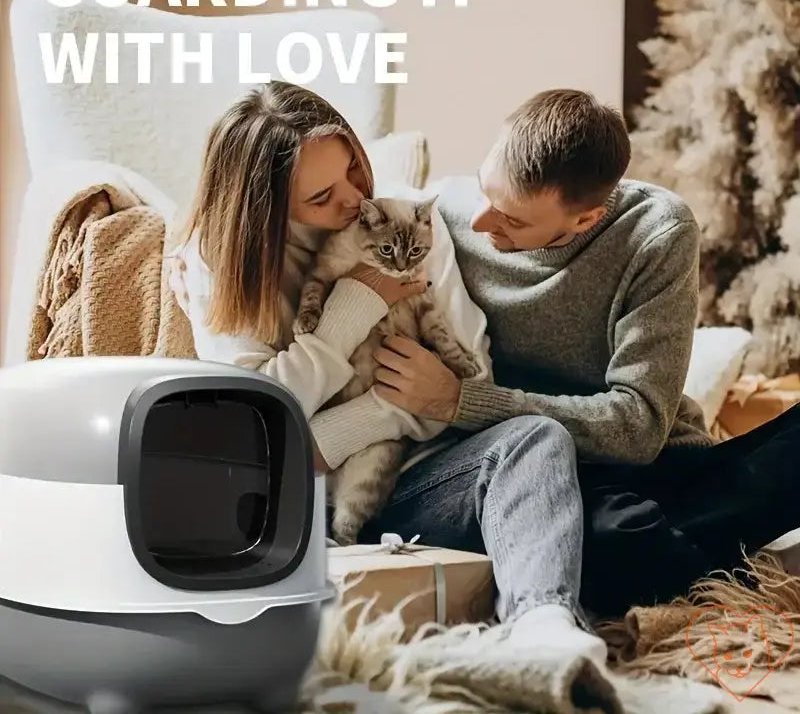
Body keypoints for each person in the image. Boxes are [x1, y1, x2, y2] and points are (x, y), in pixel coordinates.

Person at [168, 81, 608, 662]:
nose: (353, 199)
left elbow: (472, 379)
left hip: (418, 477)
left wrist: (387, 413)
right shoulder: (219, 263)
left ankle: (544, 625)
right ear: (266, 210)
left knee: (538, 436)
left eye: (354, 168)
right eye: (321, 196)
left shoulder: (404, 220)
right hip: (300, 507)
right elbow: (260, 429)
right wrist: (358, 308)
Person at [367, 88, 800, 617]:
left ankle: (698, 545)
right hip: (541, 481)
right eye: (483, 191)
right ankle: (724, 546)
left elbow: (639, 427)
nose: (480, 224)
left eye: (513, 221)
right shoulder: (436, 217)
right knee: (615, 545)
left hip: (650, 460)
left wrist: (461, 400)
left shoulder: (655, 231)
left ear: (585, 220)